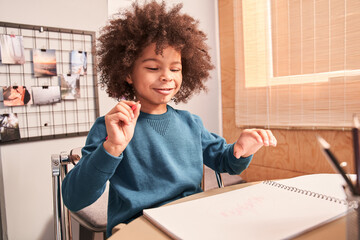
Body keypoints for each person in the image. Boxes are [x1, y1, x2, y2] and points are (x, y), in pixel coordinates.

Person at [61, 1, 277, 237]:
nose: (167, 77)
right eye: (153, 68)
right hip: (138, 228)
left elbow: (225, 161)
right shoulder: (112, 127)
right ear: (127, 72)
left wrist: (241, 149)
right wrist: (112, 147)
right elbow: (76, 197)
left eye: (175, 69)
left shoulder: (190, 123)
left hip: (191, 222)